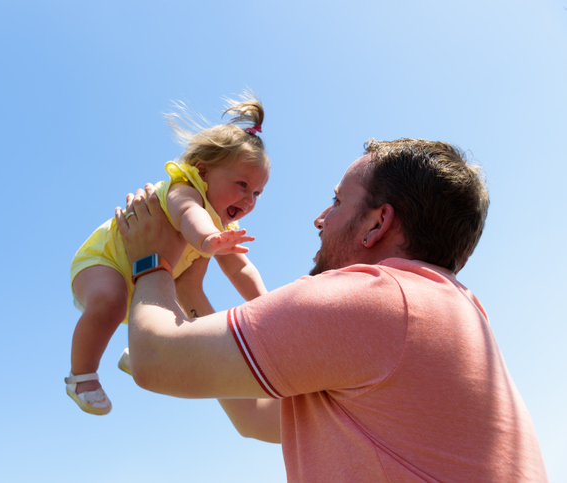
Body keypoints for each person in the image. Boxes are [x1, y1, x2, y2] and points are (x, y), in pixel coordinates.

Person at [114, 139, 547, 482]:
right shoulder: (444, 313)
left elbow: (155, 359)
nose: (320, 219)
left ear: (376, 224)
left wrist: (151, 261)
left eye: (337, 201)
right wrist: (190, 288)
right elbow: (254, 418)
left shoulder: (377, 299)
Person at [65, 93, 270, 415]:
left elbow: (240, 269)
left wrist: (266, 306)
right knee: (110, 300)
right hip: (104, 261)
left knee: (180, 323)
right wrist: (208, 240)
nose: (249, 199)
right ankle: (81, 376)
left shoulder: (221, 224)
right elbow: (189, 214)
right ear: (202, 171)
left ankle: (141, 353)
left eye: (257, 192)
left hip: (145, 274)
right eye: (242, 184)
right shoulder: (184, 189)